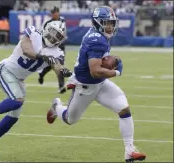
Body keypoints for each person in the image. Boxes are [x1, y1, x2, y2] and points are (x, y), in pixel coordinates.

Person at [46, 6, 146, 162]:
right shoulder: (97, 39)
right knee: (70, 119)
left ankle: (129, 150)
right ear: (98, 22)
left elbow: (98, 68)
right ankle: (56, 108)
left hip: (99, 83)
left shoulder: (99, 34)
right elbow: (95, 71)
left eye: (112, 23)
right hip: (85, 86)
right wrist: (116, 72)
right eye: (107, 23)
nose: (111, 26)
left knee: (124, 109)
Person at [0, 21, 72, 159]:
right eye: (53, 34)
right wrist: (41, 56)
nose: (54, 39)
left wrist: (63, 70)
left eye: (58, 37)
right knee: (17, 101)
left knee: (13, 117)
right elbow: (26, 49)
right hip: (7, 71)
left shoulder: (57, 52)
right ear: (46, 30)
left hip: (19, 80)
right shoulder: (33, 33)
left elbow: (57, 66)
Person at [38, 6, 67, 94]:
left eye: (55, 12)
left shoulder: (62, 20)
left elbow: (63, 31)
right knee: (56, 65)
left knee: (56, 65)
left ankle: (43, 75)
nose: (54, 14)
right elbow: (41, 33)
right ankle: (60, 86)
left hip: (61, 46)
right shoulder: (47, 22)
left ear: (58, 12)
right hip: (51, 47)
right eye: (52, 13)